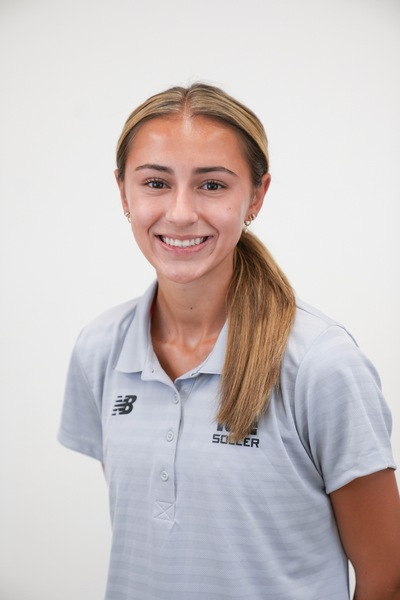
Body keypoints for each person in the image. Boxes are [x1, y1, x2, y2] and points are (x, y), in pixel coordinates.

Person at [58, 83, 400, 600]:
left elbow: (388, 576)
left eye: (212, 186)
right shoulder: (100, 349)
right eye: (155, 182)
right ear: (123, 192)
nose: (179, 212)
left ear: (257, 196)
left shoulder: (319, 365)